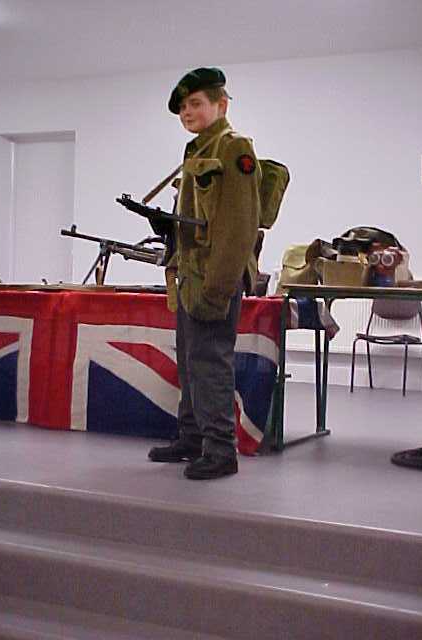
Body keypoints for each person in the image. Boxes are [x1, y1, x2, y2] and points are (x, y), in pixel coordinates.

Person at [148, 67, 261, 480]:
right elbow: (201, 219)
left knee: (210, 363)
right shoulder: (197, 150)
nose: (186, 112)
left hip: (214, 278)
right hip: (190, 274)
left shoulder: (234, 148)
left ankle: (220, 450)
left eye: (195, 103)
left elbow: (239, 226)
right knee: (191, 361)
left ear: (221, 104)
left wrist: (219, 286)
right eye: (182, 107)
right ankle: (192, 438)